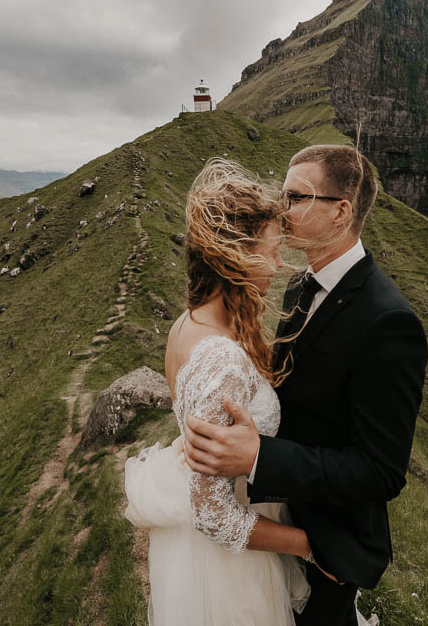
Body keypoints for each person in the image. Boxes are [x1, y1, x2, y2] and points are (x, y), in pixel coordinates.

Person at [183, 144, 428, 626]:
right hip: (274, 522)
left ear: (341, 212)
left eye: (296, 197)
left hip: (328, 543)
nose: (280, 207)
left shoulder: (389, 321)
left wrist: (258, 458)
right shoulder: (298, 286)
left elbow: (382, 472)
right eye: (283, 193)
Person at [124, 158, 323, 625]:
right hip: (229, 569)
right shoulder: (221, 358)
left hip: (209, 551)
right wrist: (312, 546)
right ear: (236, 255)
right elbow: (214, 513)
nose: (277, 265)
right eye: (270, 251)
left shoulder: (185, 325)